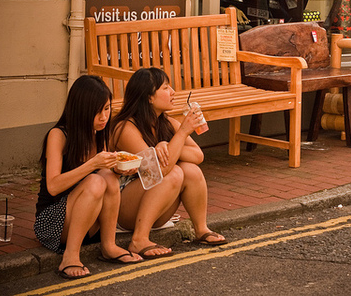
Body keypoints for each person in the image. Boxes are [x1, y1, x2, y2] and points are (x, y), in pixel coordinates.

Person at [110, 68, 226, 260]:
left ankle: (201, 229)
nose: (173, 92)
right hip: (124, 209)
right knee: (174, 173)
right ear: (149, 98)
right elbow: (156, 171)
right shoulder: (125, 127)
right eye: (165, 88)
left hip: (155, 206)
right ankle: (139, 239)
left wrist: (168, 145)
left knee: (190, 170)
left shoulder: (167, 122)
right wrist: (181, 134)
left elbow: (198, 156)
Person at [34, 75, 142, 281]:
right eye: (97, 111)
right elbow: (53, 186)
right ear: (81, 110)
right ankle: (70, 256)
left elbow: (104, 174)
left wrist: (119, 170)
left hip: (87, 222)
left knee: (108, 178)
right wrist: (92, 164)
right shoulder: (58, 135)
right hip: (53, 223)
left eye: (107, 109)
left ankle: (109, 246)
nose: (104, 117)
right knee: (96, 180)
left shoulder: (98, 132)